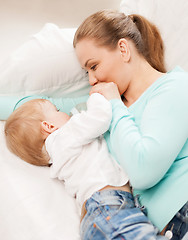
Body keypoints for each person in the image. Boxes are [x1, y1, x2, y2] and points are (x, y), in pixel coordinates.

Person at [72, 10, 188, 240]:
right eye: (86, 72)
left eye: (93, 66)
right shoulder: (103, 109)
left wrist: (115, 104)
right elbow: (41, 107)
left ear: (123, 49)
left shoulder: (175, 86)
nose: (91, 80)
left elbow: (144, 171)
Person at [4, 93, 167, 240]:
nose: (65, 113)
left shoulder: (58, 155)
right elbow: (100, 117)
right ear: (49, 126)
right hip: (108, 207)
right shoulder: (65, 136)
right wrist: (97, 96)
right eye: (57, 109)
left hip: (99, 214)